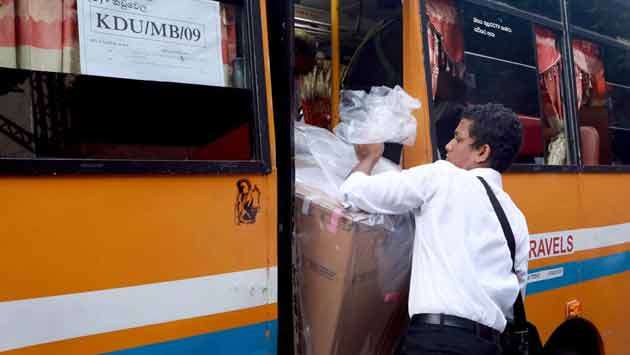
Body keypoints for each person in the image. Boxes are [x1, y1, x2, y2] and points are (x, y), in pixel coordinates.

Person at [340, 103, 529, 355]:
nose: (448, 145)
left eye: (458, 139)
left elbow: (354, 192)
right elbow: (516, 297)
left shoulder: (443, 178)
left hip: (436, 342)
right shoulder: (515, 218)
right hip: (489, 346)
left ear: (482, 152)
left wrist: (369, 158)